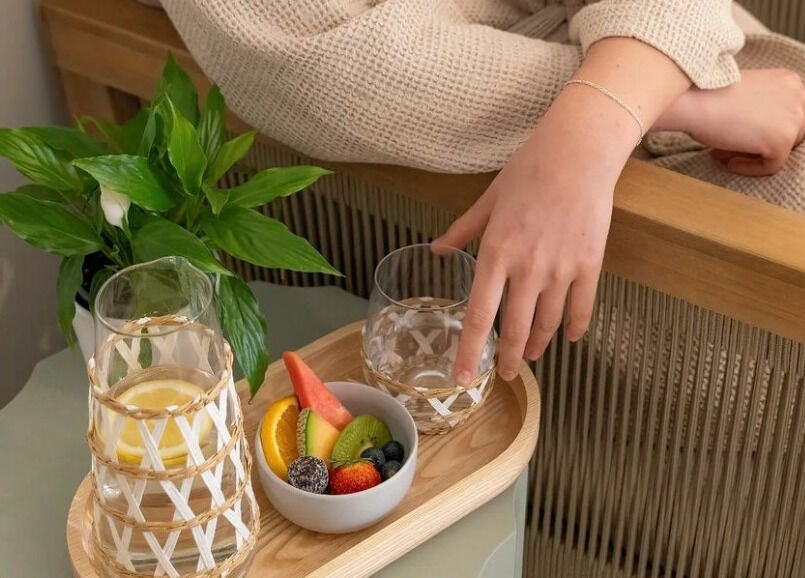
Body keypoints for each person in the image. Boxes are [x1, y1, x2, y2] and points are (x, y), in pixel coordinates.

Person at [161, 0, 805, 384]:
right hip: (683, 131)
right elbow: (326, 68)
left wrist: (616, 105)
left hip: (718, 72)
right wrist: (658, 107)